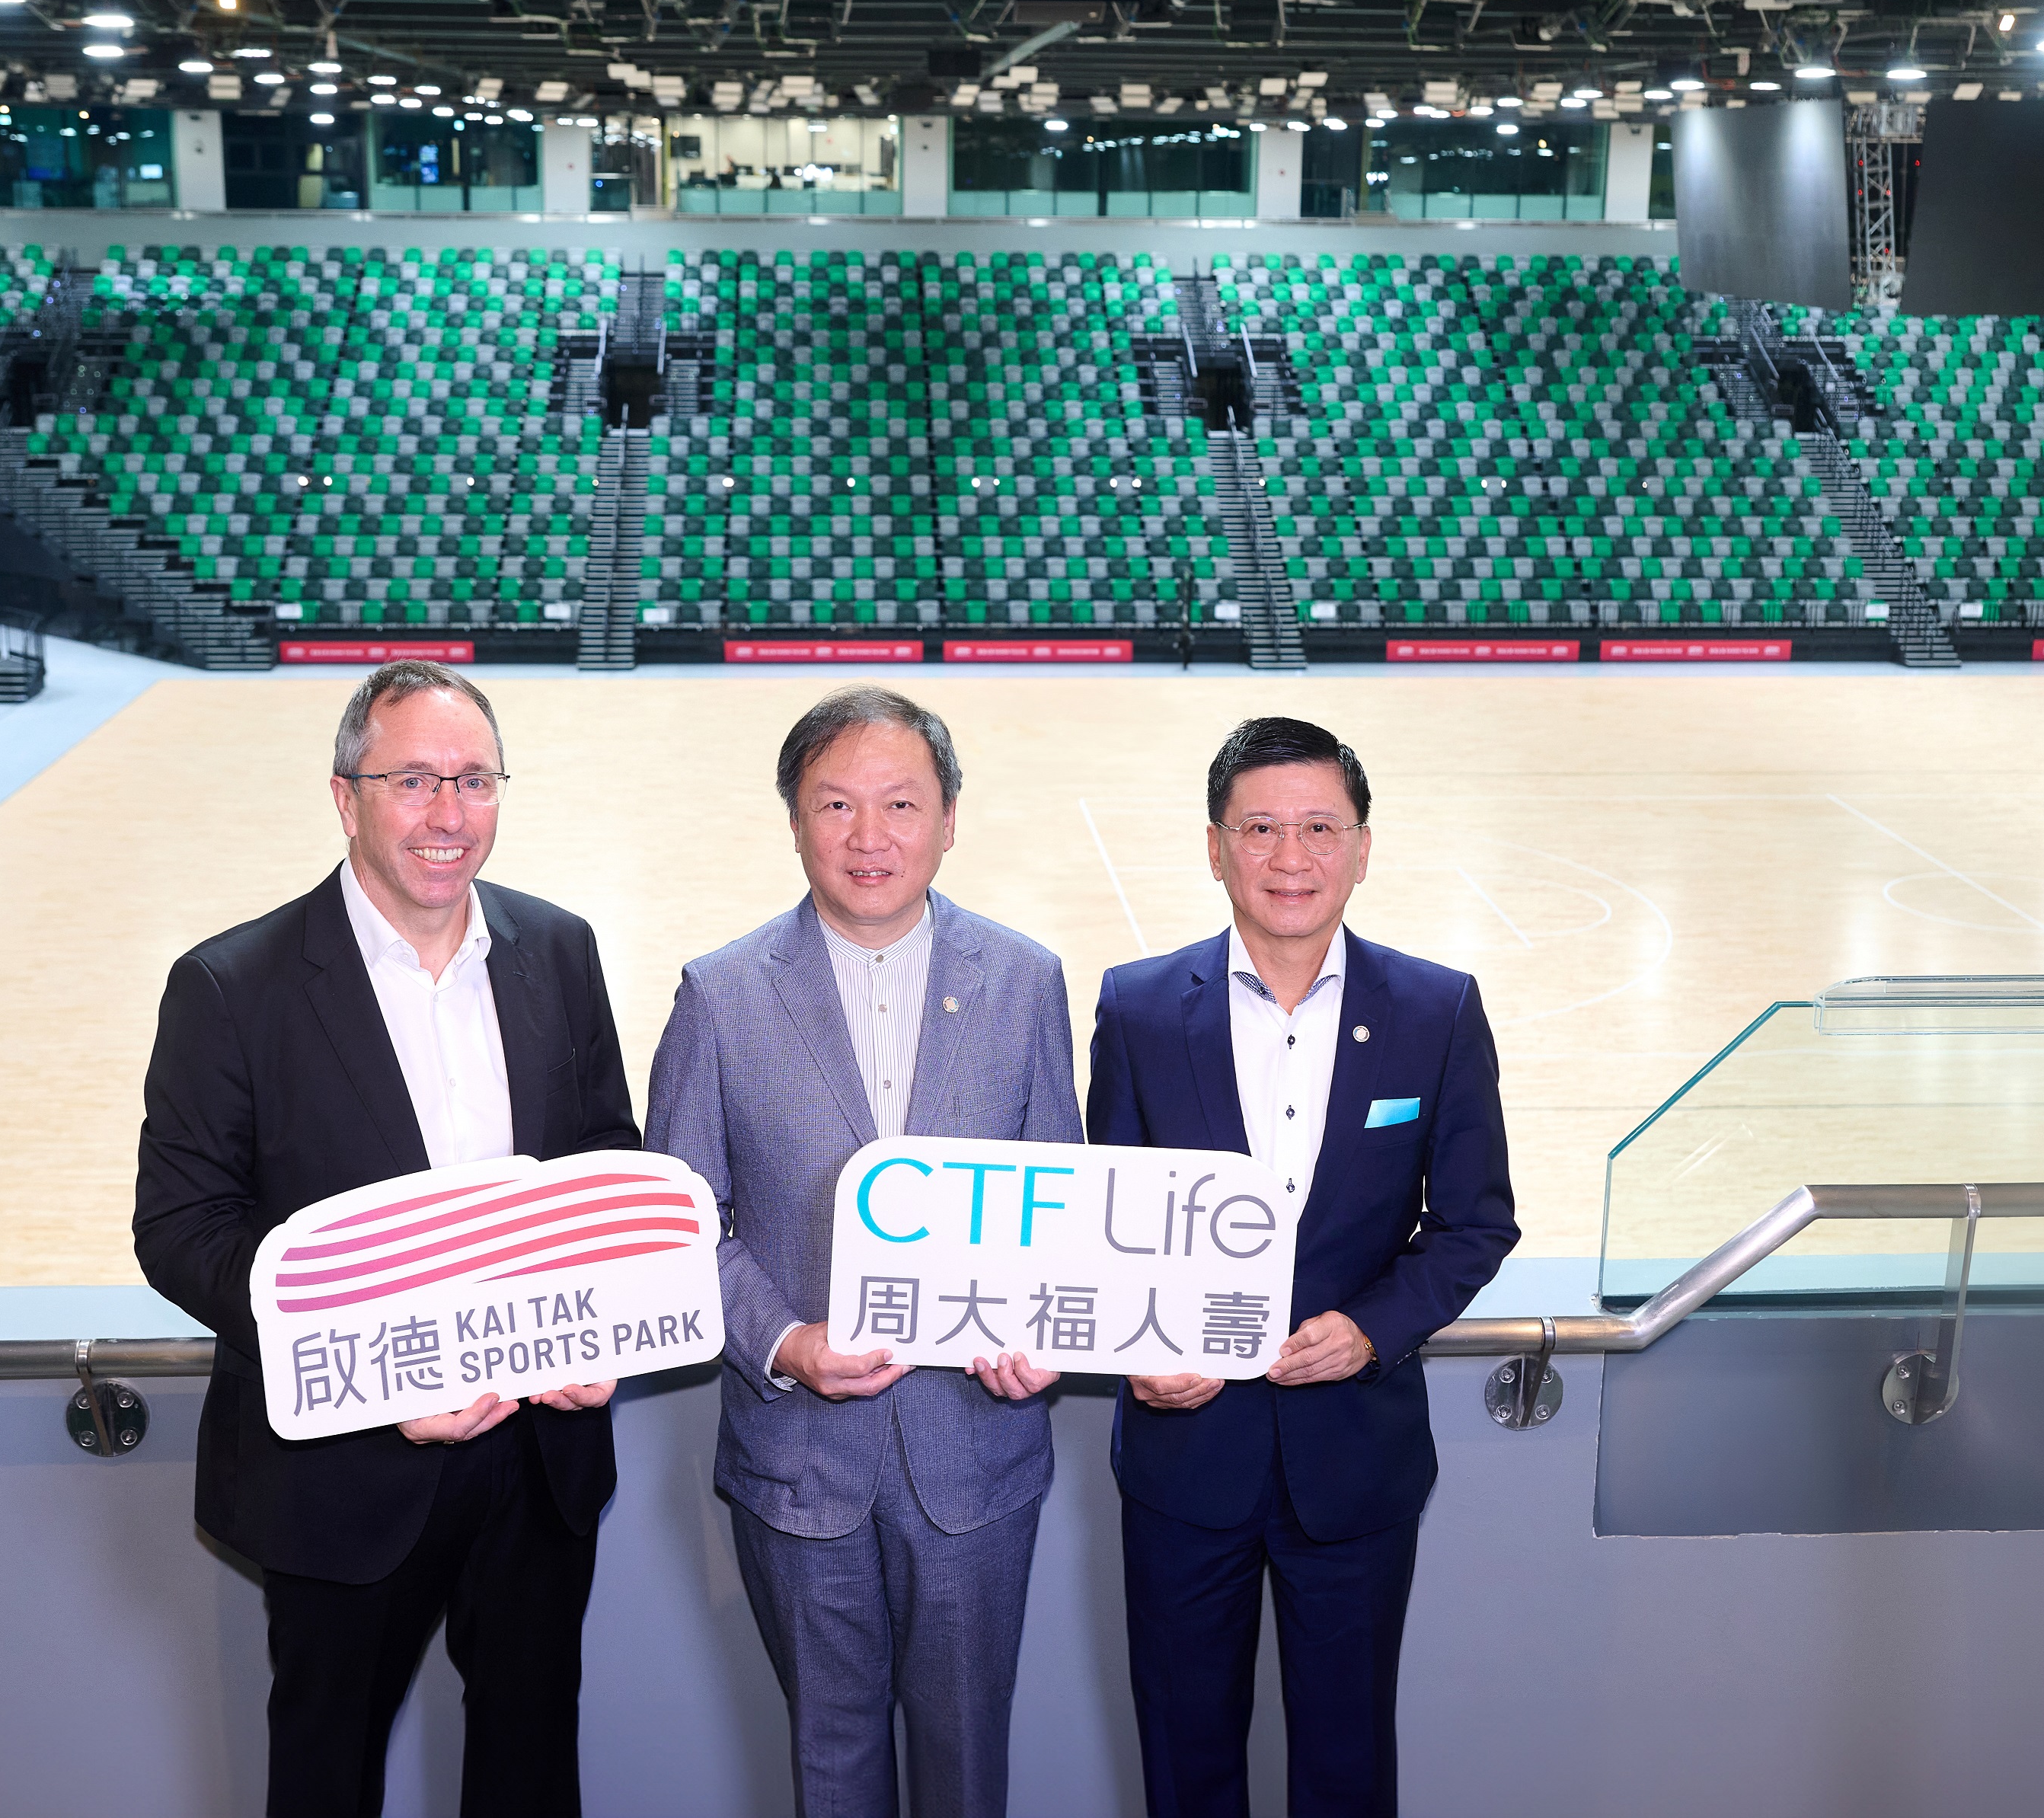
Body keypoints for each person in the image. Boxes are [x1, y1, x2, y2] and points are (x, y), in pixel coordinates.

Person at [134, 660, 638, 1818]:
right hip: (344, 1470)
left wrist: (600, 1322)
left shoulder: (560, 949)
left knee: (529, 1773)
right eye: (412, 779)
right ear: (344, 795)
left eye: (473, 780)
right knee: (327, 1780)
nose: (447, 813)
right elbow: (182, 1227)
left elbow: (604, 1157)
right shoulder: (230, 985)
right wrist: (374, 1366)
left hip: (536, 1460)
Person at [647, 685, 1082, 1818]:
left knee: (966, 1769)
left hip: (975, 1457)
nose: (869, 835)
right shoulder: (720, 994)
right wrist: (784, 1341)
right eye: (836, 803)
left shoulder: (1026, 982)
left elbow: (1063, 1202)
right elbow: (680, 1222)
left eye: (901, 803)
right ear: (795, 820)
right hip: (799, 1465)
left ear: (950, 818)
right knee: (830, 1769)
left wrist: (1043, 1336)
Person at [1085, 716, 1518, 1818]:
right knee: (1185, 1764)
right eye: (1261, 828)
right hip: (1186, 1462)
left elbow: (1474, 1224)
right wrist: (1140, 1350)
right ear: (1216, 846)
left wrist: (1373, 1328)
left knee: (1347, 1770)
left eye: (1320, 828)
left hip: (1354, 1463)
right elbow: (1106, 1223)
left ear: (1363, 848)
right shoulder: (1138, 1008)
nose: (1291, 856)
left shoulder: (1437, 1009)